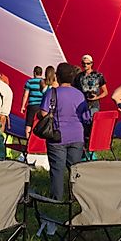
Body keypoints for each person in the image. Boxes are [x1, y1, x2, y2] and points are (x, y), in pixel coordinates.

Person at [41, 62, 91, 200]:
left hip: (57, 135)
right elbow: (86, 117)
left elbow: (43, 113)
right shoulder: (79, 95)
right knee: (75, 169)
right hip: (76, 135)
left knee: (57, 169)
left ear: (57, 76)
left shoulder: (52, 93)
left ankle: (56, 198)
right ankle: (76, 197)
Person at [20, 66, 45, 138]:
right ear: (41, 73)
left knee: (29, 124)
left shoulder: (29, 82)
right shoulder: (44, 82)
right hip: (42, 106)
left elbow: (25, 95)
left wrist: (22, 106)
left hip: (32, 106)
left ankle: (28, 140)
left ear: (34, 73)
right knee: (40, 124)